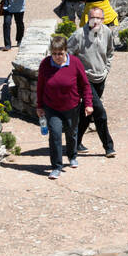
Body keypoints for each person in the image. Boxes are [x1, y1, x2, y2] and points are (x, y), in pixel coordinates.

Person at [36, 36, 93, 178]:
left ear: (66, 51)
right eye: (54, 53)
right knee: (55, 135)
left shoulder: (75, 63)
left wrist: (88, 104)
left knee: (72, 133)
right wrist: (39, 106)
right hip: (51, 107)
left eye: (60, 53)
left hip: (72, 106)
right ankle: (56, 166)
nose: (57, 57)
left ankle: (72, 155)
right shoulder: (45, 64)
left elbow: (85, 85)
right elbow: (40, 87)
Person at [68, 7, 116, 157]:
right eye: (93, 18)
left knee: (86, 113)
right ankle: (108, 146)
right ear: (88, 18)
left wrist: (107, 69)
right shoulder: (78, 35)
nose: (96, 21)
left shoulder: (107, 32)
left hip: (101, 77)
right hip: (85, 80)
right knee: (99, 111)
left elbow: (110, 51)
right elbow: (67, 56)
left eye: (99, 18)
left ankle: (75, 143)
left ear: (103, 19)